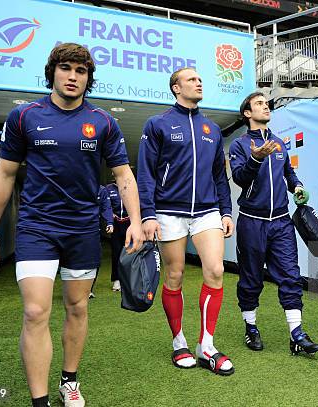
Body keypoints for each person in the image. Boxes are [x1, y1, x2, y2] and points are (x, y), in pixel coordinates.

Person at [0, 43, 144, 407]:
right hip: (37, 227)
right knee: (36, 310)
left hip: (83, 230)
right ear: (52, 72)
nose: (73, 76)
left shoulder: (103, 122)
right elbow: (4, 173)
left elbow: (123, 175)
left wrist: (135, 220)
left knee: (77, 308)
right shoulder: (24, 117)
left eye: (81, 71)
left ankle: (69, 381)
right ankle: (40, 402)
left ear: (88, 78)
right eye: (66, 68)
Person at [137, 67, 235, 376]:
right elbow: (146, 174)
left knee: (216, 270)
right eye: (191, 79)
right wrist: (148, 214)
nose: (198, 82)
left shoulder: (212, 129)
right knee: (176, 275)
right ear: (176, 87)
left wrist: (226, 211)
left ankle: (206, 344)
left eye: (200, 79)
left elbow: (220, 176)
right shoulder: (158, 124)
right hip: (169, 211)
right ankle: (179, 341)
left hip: (207, 211)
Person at [228, 92, 318, 356]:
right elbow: (240, 179)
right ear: (247, 113)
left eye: (266, 103)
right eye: (258, 104)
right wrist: (256, 157)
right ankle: (251, 328)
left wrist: (298, 187)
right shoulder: (239, 145)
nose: (265, 106)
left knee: (291, 276)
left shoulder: (280, 143)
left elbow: (289, 174)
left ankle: (297, 334)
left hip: (281, 222)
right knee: (251, 280)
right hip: (252, 222)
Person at [89, 185, 114, 299]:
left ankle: (89, 289)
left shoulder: (101, 190)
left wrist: (109, 222)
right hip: (74, 228)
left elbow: (106, 208)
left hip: (94, 229)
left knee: (95, 258)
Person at [106, 181, 130, 292]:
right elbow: (105, 205)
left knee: (130, 251)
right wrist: (110, 217)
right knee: (116, 252)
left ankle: (129, 279)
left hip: (130, 223)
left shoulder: (132, 186)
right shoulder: (109, 188)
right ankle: (116, 280)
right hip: (115, 223)